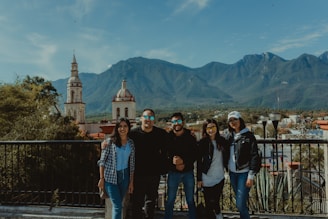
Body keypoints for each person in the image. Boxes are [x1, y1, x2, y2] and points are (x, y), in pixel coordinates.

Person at [129, 108, 168, 219]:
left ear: (154, 120)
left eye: (150, 117)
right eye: (145, 117)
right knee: (137, 202)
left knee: (150, 203)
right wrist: (107, 142)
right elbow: (120, 140)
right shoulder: (133, 134)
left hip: (154, 174)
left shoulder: (160, 134)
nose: (148, 120)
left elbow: (169, 147)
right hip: (138, 174)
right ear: (141, 119)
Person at [98, 118, 135, 219]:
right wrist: (101, 179)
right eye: (120, 126)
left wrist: (131, 181)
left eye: (125, 126)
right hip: (110, 178)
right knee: (118, 206)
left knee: (120, 204)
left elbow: (132, 164)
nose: (122, 129)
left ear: (128, 128)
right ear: (117, 128)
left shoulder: (131, 143)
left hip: (124, 177)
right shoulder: (110, 142)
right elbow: (102, 161)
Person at [225, 111, 260, 219]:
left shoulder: (249, 136)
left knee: (239, 203)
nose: (233, 122)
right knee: (241, 203)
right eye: (230, 120)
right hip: (232, 173)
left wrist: (251, 175)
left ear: (240, 120)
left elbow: (255, 155)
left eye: (235, 119)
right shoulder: (229, 136)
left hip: (244, 174)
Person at [164, 112, 198, 219]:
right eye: (174, 122)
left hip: (188, 172)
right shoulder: (168, 137)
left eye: (178, 121)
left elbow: (194, 154)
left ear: (183, 122)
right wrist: (174, 165)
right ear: (171, 123)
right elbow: (165, 155)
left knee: (190, 200)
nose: (176, 124)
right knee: (170, 200)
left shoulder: (190, 136)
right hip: (173, 173)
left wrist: (184, 163)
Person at [197, 119, 228, 219]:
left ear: (217, 128)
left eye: (213, 127)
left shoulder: (222, 141)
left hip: (219, 177)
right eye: (208, 128)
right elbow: (199, 162)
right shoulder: (202, 143)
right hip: (207, 177)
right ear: (205, 129)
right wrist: (199, 179)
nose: (211, 130)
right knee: (209, 203)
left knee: (216, 201)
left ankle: (218, 215)